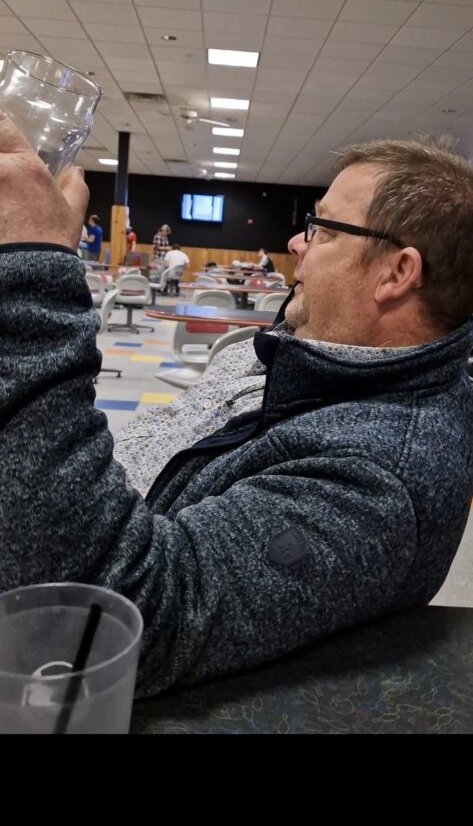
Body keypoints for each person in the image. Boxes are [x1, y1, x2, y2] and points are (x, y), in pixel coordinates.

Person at [1, 113, 473, 699]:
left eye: (322, 229)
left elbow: (90, 625)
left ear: (396, 273)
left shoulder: (378, 479)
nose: (296, 243)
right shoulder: (309, 349)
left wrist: (31, 275)